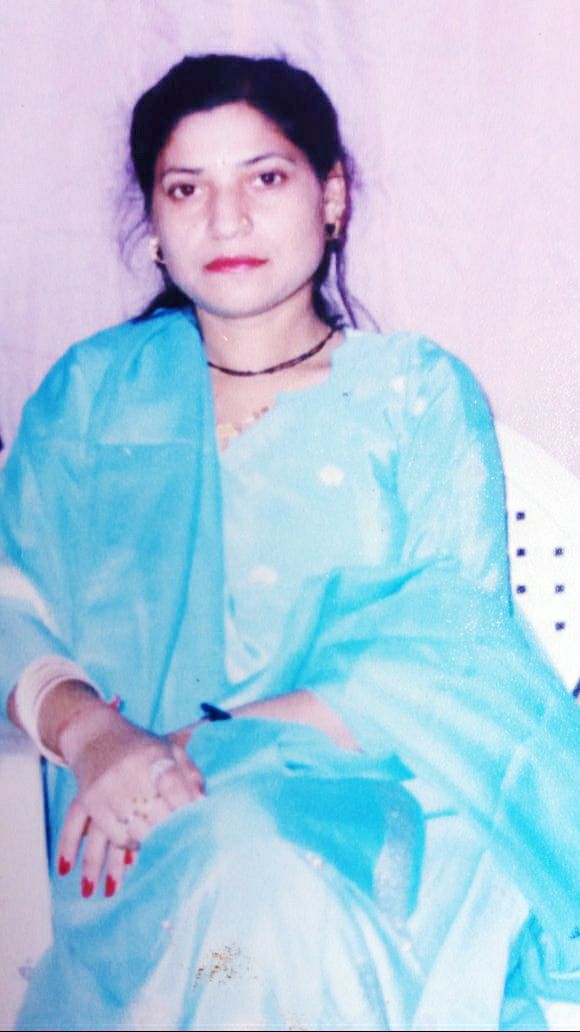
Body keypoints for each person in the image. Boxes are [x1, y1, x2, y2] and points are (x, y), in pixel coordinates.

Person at [1, 53, 578, 1032]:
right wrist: (94, 738)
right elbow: (14, 601)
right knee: (238, 876)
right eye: (187, 189)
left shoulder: (412, 395)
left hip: (379, 826)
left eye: (264, 178)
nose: (226, 221)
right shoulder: (95, 395)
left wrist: (193, 747)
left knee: (264, 877)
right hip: (139, 833)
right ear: (154, 224)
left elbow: (453, 655)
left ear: (332, 197)